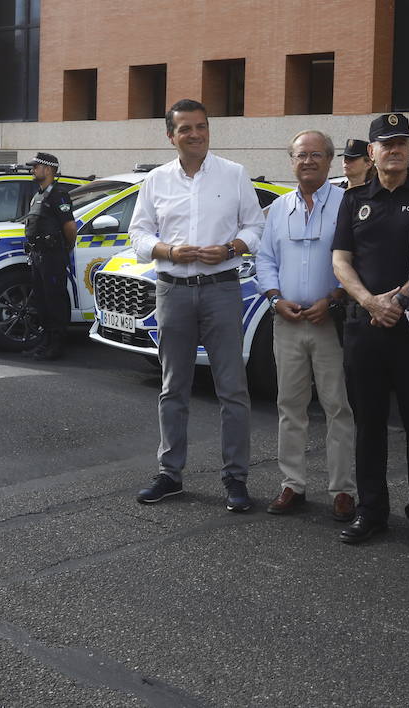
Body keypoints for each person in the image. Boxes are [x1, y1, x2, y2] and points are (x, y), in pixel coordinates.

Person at [130, 99, 265, 512]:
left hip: (222, 290)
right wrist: (170, 251)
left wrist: (231, 247)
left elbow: (255, 226)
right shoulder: (156, 180)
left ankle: (235, 479)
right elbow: (138, 236)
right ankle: (170, 474)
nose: (196, 134)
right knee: (173, 388)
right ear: (170, 136)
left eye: (201, 126)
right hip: (173, 290)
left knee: (232, 389)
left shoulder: (234, 174)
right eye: (185, 128)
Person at [331, 113, 409, 551]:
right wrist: (369, 301)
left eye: (402, 142)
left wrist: (397, 301)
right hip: (364, 328)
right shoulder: (354, 197)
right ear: (371, 151)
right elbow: (341, 260)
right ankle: (371, 511)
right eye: (386, 143)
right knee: (369, 425)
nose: (394, 150)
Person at [255, 130, 356, 522]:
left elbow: (357, 260)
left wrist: (334, 298)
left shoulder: (347, 204)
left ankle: (343, 489)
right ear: (291, 161)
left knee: (338, 407)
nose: (308, 161)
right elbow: (265, 259)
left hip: (331, 321)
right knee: (290, 406)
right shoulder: (279, 208)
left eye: (316, 155)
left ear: (330, 160)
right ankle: (292, 484)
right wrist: (274, 298)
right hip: (288, 321)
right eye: (300, 155)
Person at [21, 151, 77, 360]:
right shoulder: (37, 195)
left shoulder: (59, 195)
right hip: (38, 255)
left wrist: (65, 248)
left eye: (36, 166)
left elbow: (70, 227)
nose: (33, 170)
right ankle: (44, 342)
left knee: (55, 301)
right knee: (42, 301)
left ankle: (56, 345)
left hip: (53, 256)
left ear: (48, 169)